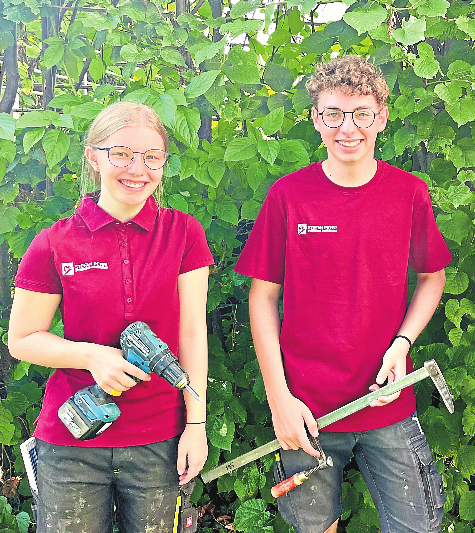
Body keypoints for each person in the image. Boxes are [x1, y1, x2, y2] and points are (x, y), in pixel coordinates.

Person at [235, 55, 451, 533]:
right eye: (333, 114)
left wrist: (403, 343)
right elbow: (262, 297)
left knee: (419, 527)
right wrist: (279, 400)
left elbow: (432, 276)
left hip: (386, 400)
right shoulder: (289, 196)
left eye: (361, 114)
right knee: (315, 527)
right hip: (306, 407)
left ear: (382, 118)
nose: (347, 128)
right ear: (316, 119)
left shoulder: (409, 193)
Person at [8, 102, 213, 533]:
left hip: (160, 439)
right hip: (73, 440)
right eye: (121, 152)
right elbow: (23, 339)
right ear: (93, 156)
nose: (137, 168)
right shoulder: (53, 244)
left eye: (151, 157)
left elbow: (192, 334)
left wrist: (196, 425)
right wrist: (93, 357)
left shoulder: (184, 234)